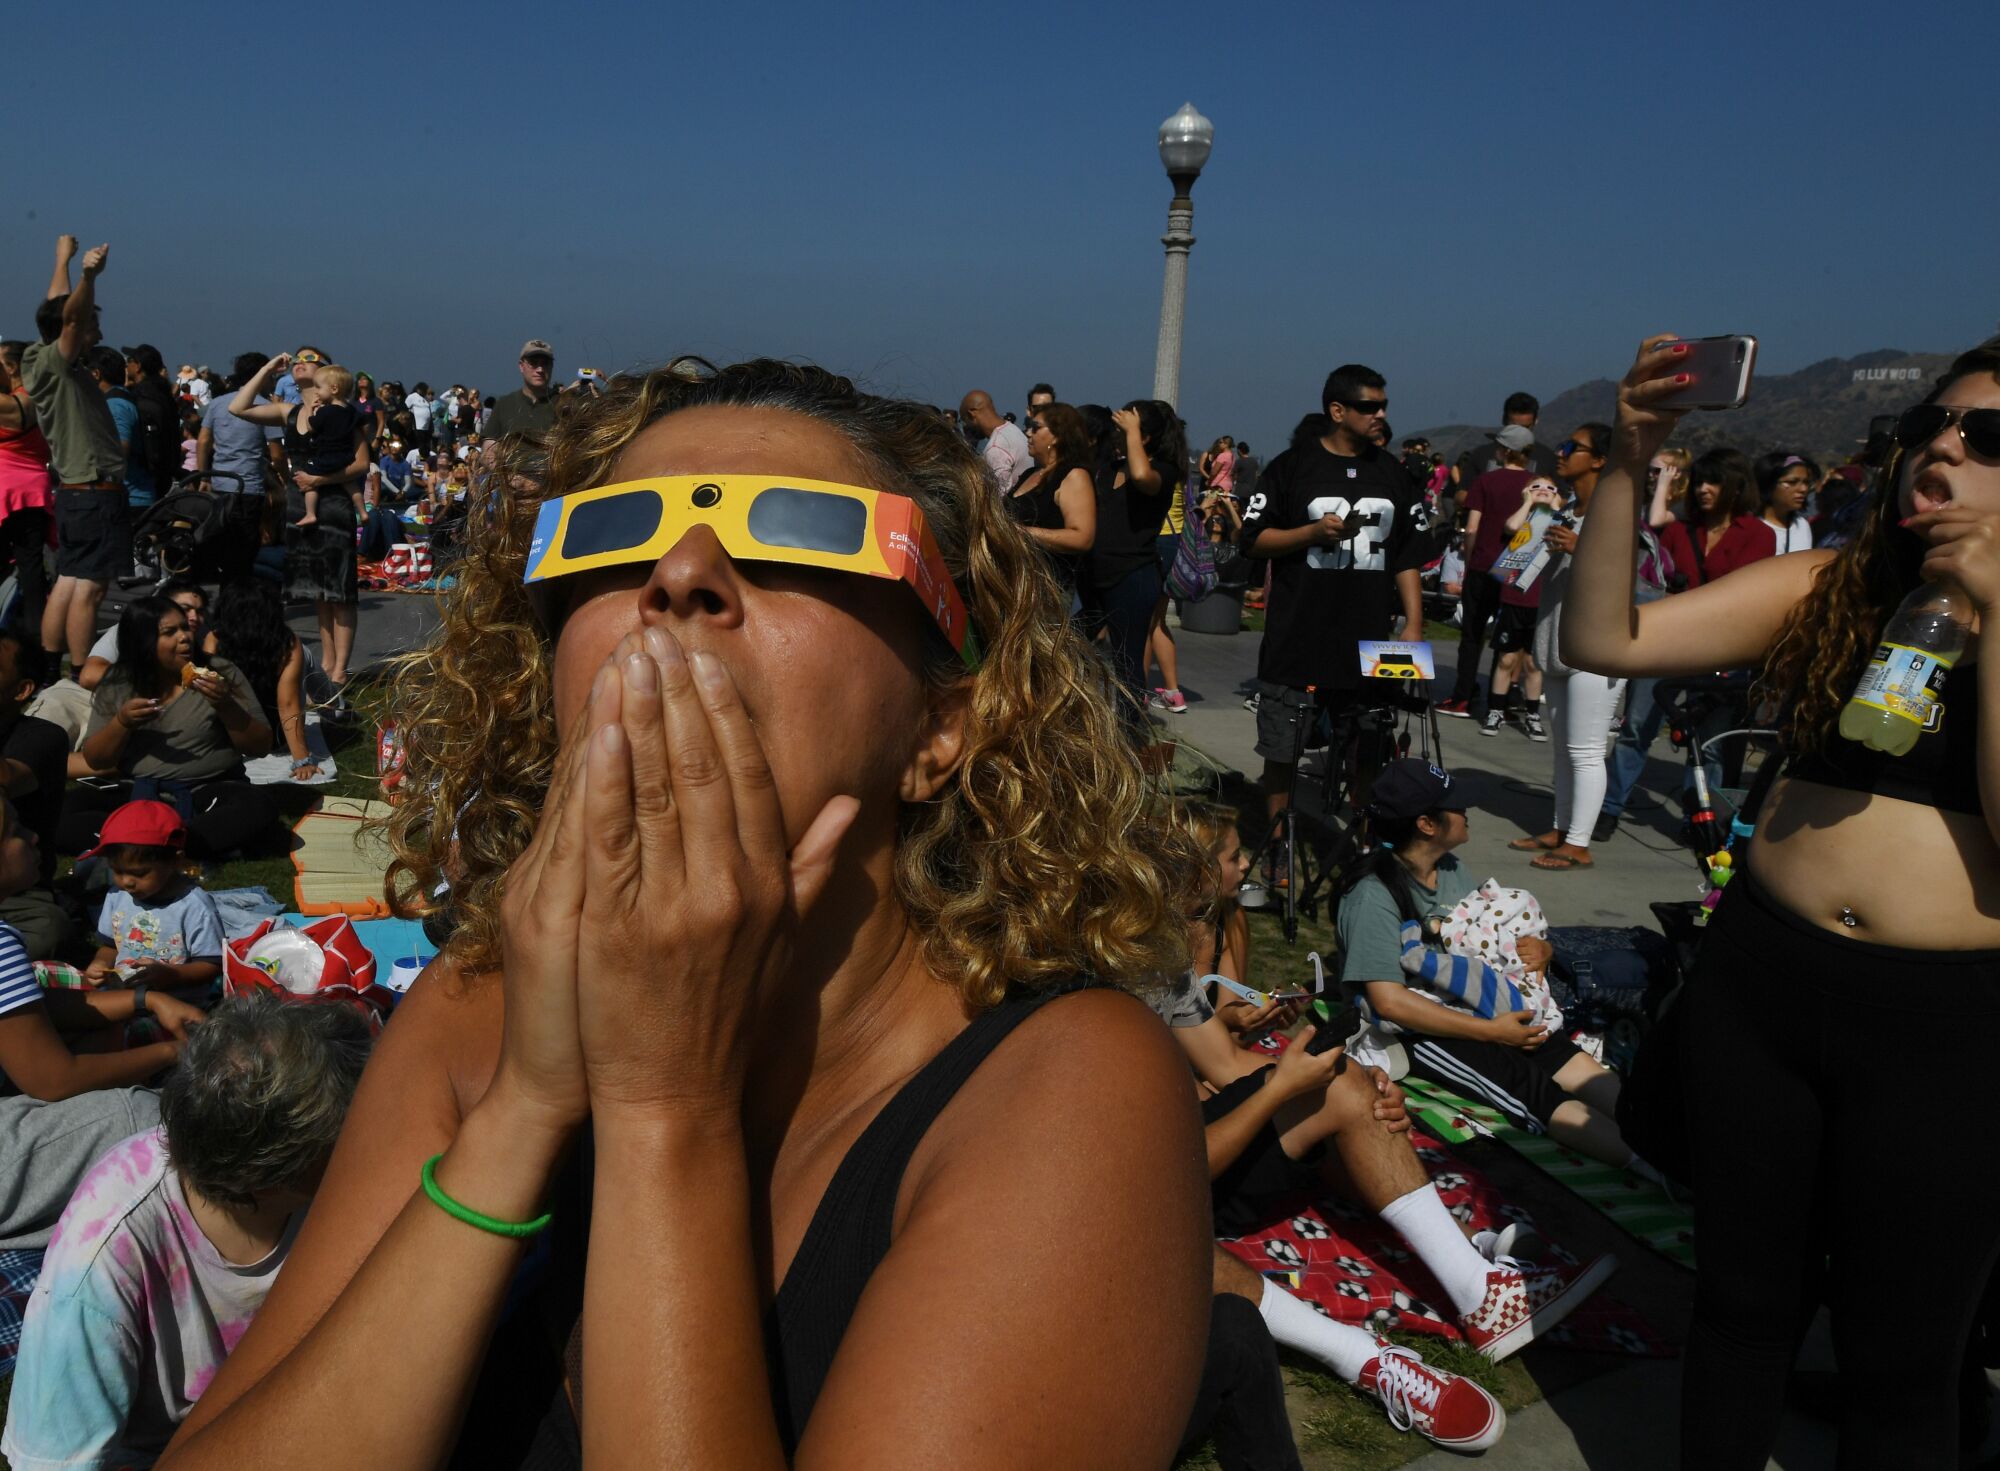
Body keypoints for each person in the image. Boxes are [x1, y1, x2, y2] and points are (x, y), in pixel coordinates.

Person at [156, 357, 1214, 1469]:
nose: (680, 574)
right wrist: (521, 1113)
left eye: (795, 542)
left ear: (938, 728)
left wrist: (663, 1106)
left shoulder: (1065, 1087)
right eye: (613, 542)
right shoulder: (481, 1015)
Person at [1564, 334, 2000, 1467]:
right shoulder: (1836, 584)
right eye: (1926, 429)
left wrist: (1987, 605)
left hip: (1942, 1030)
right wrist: (1627, 460)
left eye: (1983, 437)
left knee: (1899, 1360)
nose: (1939, 451)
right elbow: (1601, 638)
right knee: (1739, 1308)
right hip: (1763, 987)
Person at [3, 994, 372, 1471]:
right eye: (355, 1131)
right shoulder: (99, 1266)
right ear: (283, 1171)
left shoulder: (315, 1186)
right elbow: (55, 1463)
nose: (373, 1141)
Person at [1339, 761, 1656, 1185]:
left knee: (1564, 1057)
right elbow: (1388, 1001)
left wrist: (1540, 947)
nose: (1467, 809)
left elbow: (1489, 937)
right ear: (1427, 824)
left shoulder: (1451, 870)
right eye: (1456, 805)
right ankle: (1654, 1167)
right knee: (1532, 1091)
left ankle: (1663, 1137)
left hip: (1483, 1002)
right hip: (1420, 1028)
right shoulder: (1372, 896)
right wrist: (1492, 1034)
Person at [1241, 365, 1425, 861]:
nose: (1380, 414)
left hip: (1372, 639)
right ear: (1337, 411)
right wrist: (1311, 534)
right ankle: (1277, 846)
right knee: (1282, 753)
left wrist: (1413, 622)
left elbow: (1406, 553)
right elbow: (1253, 539)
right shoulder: (1289, 467)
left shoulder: (1394, 474)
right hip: (1297, 636)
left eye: (1383, 405)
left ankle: (1367, 848)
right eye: (1369, 406)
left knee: (1370, 750)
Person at [66, 594, 280, 859]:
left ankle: (140, 843)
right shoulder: (118, 681)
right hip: (139, 791)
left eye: (185, 628)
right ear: (142, 642)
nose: (185, 637)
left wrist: (226, 705)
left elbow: (260, 745)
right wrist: (121, 724)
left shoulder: (221, 672)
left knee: (255, 807)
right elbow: (97, 759)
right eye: (170, 632)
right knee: (65, 811)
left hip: (208, 791)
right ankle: (172, 843)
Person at [1513, 425, 1622, 869]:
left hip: (1597, 644)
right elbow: (1521, 563)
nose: (1560, 453)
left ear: (1599, 460)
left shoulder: (1617, 514)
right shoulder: (1566, 510)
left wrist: (1581, 548)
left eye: (1571, 448)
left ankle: (1578, 843)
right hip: (1558, 639)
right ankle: (1561, 827)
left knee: (1586, 749)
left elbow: (1626, 579)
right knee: (1562, 746)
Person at [22, 238, 131, 672]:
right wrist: (88, 276)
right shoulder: (60, 361)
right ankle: (85, 672)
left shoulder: (38, 356)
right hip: (94, 493)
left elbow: (57, 308)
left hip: (74, 492)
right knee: (90, 589)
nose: (97, 334)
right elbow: (69, 315)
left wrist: (61, 260)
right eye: (91, 326)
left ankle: (52, 669)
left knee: (67, 583)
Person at [230, 355, 368, 688]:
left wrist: (319, 481)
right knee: (317, 589)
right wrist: (266, 370)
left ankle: (341, 669)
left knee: (340, 589)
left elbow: (362, 463)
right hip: (299, 504)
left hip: (332, 502)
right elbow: (238, 407)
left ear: (328, 375)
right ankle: (326, 660)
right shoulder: (288, 412)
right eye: (298, 358)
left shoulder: (345, 415)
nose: (300, 361)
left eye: (310, 359)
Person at [1085, 399, 1189, 726]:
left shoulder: (1163, 470)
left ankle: (1129, 736)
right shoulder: (1110, 468)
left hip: (1132, 576)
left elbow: (1143, 476)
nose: (1118, 431)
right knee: (1070, 645)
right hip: (1094, 575)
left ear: (1143, 437)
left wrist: (1132, 433)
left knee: (1128, 665)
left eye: (1127, 427)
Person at [1438, 425, 1538, 719]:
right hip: (1517, 568)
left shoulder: (1486, 481)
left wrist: (1470, 559)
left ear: (1506, 451)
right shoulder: (1536, 484)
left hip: (1483, 564)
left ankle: (1462, 697)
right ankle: (1501, 701)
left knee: (1472, 635)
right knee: (1507, 639)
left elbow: (1472, 527)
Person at [79, 799, 226, 993]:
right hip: (125, 995)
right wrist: (100, 962)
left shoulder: (194, 907)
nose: (127, 882)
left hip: (177, 1001)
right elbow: (110, 946)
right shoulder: (117, 896)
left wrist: (172, 975)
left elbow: (212, 965)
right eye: (117, 871)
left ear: (176, 861)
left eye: (139, 873)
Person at [206, 576, 326, 781]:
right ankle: (335, 702)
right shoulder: (287, 642)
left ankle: (333, 700)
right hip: (273, 736)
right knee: (306, 657)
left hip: (230, 734)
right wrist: (301, 759)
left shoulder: (214, 639)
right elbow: (288, 703)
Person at [0, 629, 75, 957]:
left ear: (22, 690)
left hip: (16, 891)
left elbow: (10, 777)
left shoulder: (43, 738)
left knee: (47, 929)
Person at [1477, 474, 1567, 741]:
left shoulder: (1558, 520)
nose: (1543, 490)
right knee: (1506, 658)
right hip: (1514, 598)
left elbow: (1568, 532)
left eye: (1550, 488)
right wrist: (1527, 502)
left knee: (1532, 662)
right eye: (1536, 486)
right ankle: (1495, 711)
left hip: (1542, 601)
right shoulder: (1523, 517)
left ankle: (1532, 715)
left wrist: (1556, 507)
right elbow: (1511, 526)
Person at [199, 352, 285, 584]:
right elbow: (276, 454)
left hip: (219, 485)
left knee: (223, 546)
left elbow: (204, 441)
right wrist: (284, 478)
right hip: (249, 487)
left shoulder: (217, 404)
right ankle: (237, 602)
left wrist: (203, 474)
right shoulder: (266, 407)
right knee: (244, 552)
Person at [1006, 402, 1095, 593]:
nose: (1028, 433)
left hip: (1045, 589)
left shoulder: (1074, 476)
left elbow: (1082, 538)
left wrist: (1021, 532)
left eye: (1035, 427)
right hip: (1013, 584)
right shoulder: (1030, 473)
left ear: (1057, 436)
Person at [0, 338, 55, 644]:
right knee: (32, 567)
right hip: (34, 490)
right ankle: (36, 638)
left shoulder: (9, 406)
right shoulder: (43, 398)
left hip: (2, 490)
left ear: (11, 367)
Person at [1655, 447, 1774, 589]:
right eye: (1698, 483)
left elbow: (1746, 591)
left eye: (1714, 481)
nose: (1703, 489)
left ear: (1738, 487)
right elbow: (1656, 581)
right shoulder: (1677, 531)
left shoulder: (1758, 534)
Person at [1452, 392, 1560, 489]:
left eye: (1525, 428)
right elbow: (1461, 493)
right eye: (1513, 427)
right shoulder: (1480, 454)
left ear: (1536, 421)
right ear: (1504, 419)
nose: (1518, 433)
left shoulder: (1548, 458)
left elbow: (1563, 498)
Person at [122, 344, 185, 509]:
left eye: (130, 361)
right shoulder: (164, 394)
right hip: (164, 471)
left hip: (141, 478)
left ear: (138, 366)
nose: (127, 365)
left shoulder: (138, 397)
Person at [481, 341, 564, 446]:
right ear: (521, 366)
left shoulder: (563, 405)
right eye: (533, 363)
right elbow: (489, 443)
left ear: (551, 366)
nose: (540, 369)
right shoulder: (504, 404)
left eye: (545, 363)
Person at [958, 389, 1032, 495]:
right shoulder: (1013, 430)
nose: (966, 427)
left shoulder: (996, 447)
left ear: (972, 414)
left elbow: (998, 498)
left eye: (964, 420)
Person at [1757, 450, 1817, 554]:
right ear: (1768, 484)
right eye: (1792, 482)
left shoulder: (1802, 525)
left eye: (1806, 482)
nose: (1803, 489)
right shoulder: (1749, 528)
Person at [404, 381, 434, 456]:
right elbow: (405, 408)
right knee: (417, 446)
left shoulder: (425, 400)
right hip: (417, 427)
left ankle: (423, 459)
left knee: (425, 446)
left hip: (426, 428)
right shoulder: (412, 396)